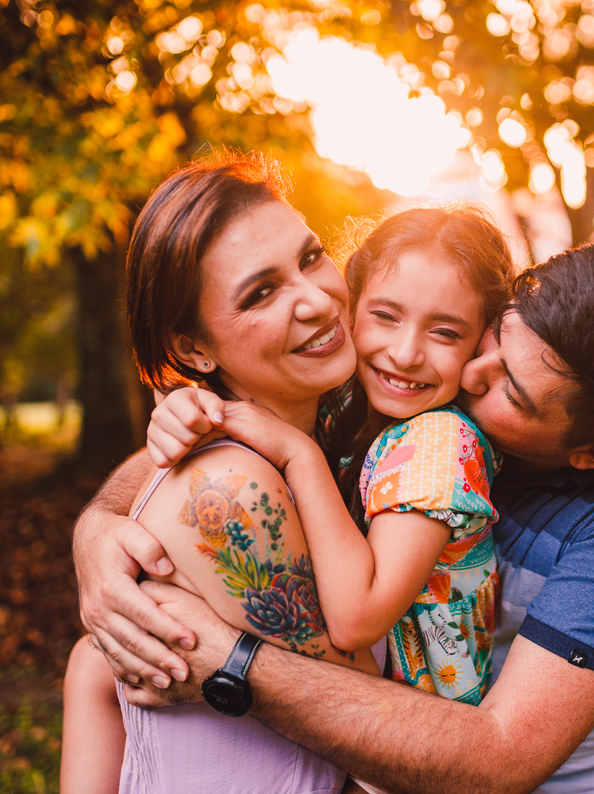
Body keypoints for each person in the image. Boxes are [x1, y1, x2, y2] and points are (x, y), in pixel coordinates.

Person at [79, 242, 594, 793]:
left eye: (511, 387)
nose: (470, 372)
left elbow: (500, 756)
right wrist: (100, 527)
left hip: (543, 778)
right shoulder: (416, 376)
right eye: (495, 334)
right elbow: (225, 435)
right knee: (91, 666)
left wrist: (233, 664)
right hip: (401, 738)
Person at [61, 149, 381, 794]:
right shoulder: (230, 493)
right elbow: (384, 732)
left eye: (311, 257)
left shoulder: (318, 429)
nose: (317, 300)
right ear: (192, 349)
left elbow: (90, 667)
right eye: (262, 293)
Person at [168, 205, 515, 706]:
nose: (405, 353)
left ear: (480, 344)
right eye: (386, 316)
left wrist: (298, 454)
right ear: (351, 307)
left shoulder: (439, 443)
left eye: (445, 332)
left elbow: (358, 619)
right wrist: (183, 404)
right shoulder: (350, 406)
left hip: (413, 737)